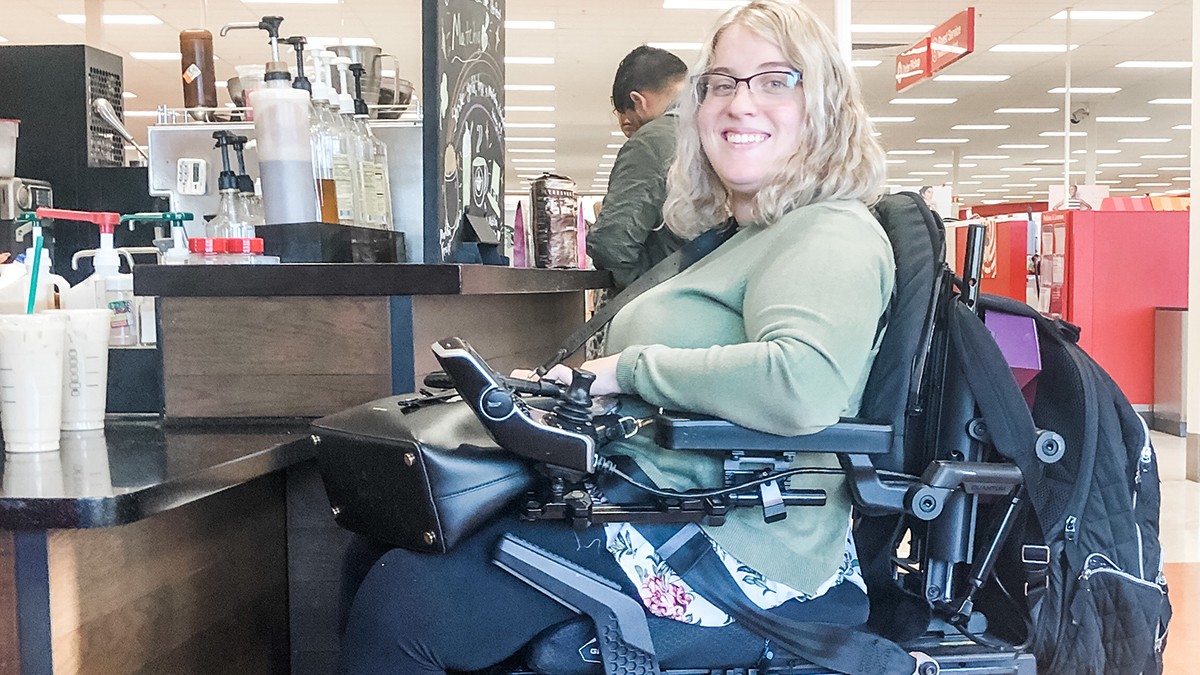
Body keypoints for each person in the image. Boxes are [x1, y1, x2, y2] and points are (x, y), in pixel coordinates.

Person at [338, 2, 890, 672]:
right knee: (385, 540)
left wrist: (629, 370)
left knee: (404, 604)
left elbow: (802, 385)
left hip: (733, 541)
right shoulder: (743, 237)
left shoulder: (828, 231)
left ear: (825, 105)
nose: (740, 102)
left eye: (776, 80)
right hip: (660, 499)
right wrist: (572, 391)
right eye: (721, 82)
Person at [587, 46, 689, 291]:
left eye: (630, 121)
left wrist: (642, 292)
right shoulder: (723, 130)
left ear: (638, 101)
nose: (631, 131)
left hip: (671, 298)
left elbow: (612, 243)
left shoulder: (653, 141)